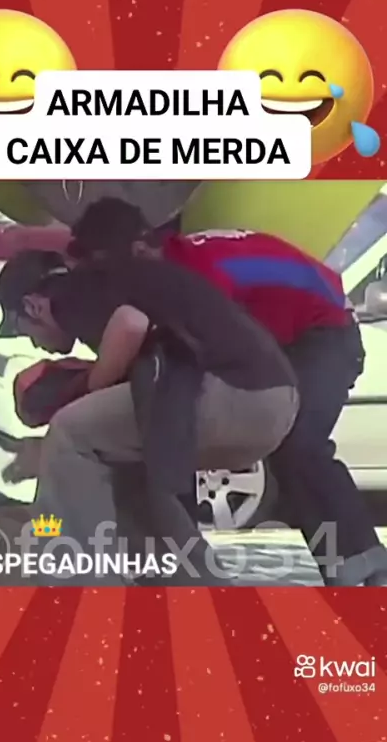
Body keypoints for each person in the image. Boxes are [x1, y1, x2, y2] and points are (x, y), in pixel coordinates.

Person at [66, 199, 387, 587]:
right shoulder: (175, 262)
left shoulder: (195, 274)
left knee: (298, 444)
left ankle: (365, 565)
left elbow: (191, 366)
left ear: (138, 250)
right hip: (289, 334)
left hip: (324, 333)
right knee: (272, 443)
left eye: (108, 269)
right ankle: (347, 566)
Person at [0, 211, 299, 587]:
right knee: (128, 474)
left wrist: (84, 396)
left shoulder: (73, 292)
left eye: (22, 330)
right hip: (271, 402)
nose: (33, 343)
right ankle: (200, 590)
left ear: (32, 306)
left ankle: (82, 590)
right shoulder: (114, 284)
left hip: (233, 392)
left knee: (69, 434)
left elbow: (131, 323)